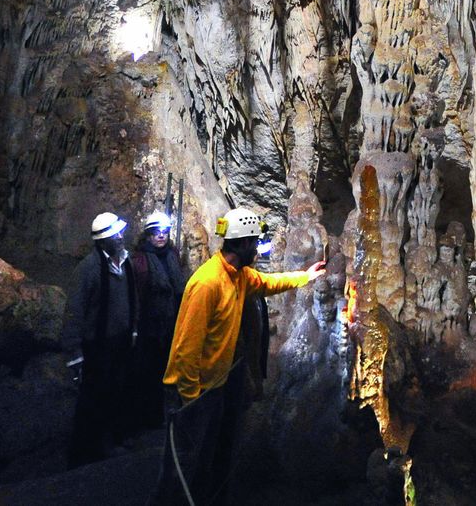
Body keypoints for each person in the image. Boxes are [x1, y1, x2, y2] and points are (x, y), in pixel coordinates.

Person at [153, 207, 326, 505]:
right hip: (195, 392)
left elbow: (269, 284)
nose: (258, 248)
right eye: (256, 242)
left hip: (218, 384)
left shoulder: (239, 276)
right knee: (188, 465)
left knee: (215, 454)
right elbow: (185, 350)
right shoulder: (207, 284)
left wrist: (304, 277)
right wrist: (191, 400)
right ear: (243, 243)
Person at [59, 211, 140, 466]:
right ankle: (90, 450)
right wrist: (74, 353)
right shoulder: (89, 269)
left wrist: (134, 328)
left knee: (119, 391)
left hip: (120, 341)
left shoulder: (124, 262)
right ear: (103, 240)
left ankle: (115, 437)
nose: (121, 236)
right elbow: (75, 310)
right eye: (116, 234)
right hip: (97, 346)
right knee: (95, 398)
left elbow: (132, 297)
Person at [130, 211, 186, 430]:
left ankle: (169, 413)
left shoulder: (172, 255)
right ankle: (149, 418)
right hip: (149, 325)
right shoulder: (140, 260)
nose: (161, 236)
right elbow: (136, 294)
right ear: (148, 236)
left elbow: (178, 287)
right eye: (156, 233)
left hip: (171, 321)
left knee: (169, 369)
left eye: (164, 232)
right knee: (149, 373)